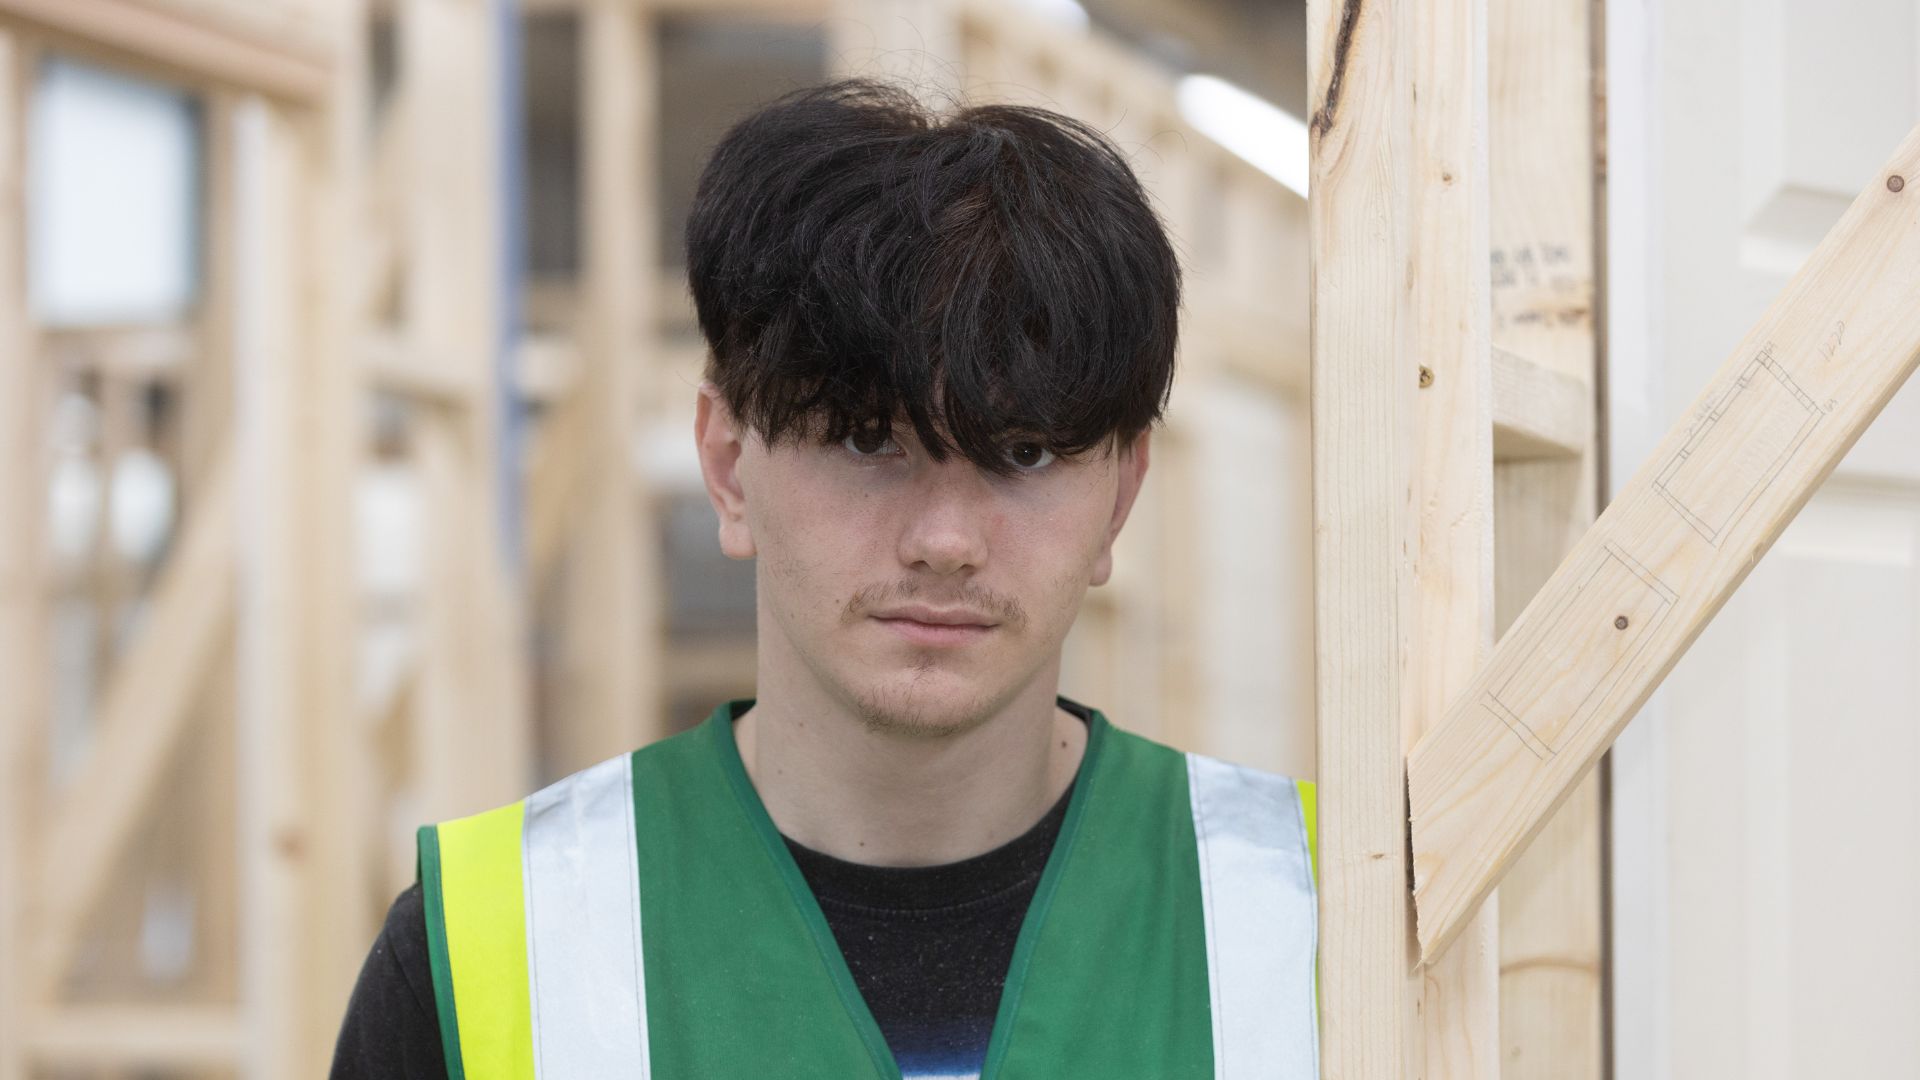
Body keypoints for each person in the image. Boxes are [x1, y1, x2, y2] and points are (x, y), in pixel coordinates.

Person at [331, 76, 1317, 1080]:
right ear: (727, 463)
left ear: (1120, 495)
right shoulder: (485, 955)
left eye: (1022, 453)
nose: (944, 539)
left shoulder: (1322, 917)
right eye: (862, 438)